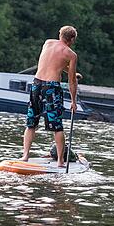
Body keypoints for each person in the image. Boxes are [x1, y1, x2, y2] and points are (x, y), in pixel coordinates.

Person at [20, 25, 78, 167]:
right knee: (57, 126)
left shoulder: (47, 43)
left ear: (60, 34)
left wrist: (70, 71)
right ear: (71, 40)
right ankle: (60, 161)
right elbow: (71, 81)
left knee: (31, 121)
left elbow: (53, 62)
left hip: (36, 84)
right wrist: (74, 101)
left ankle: (25, 155)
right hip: (51, 88)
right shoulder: (71, 54)